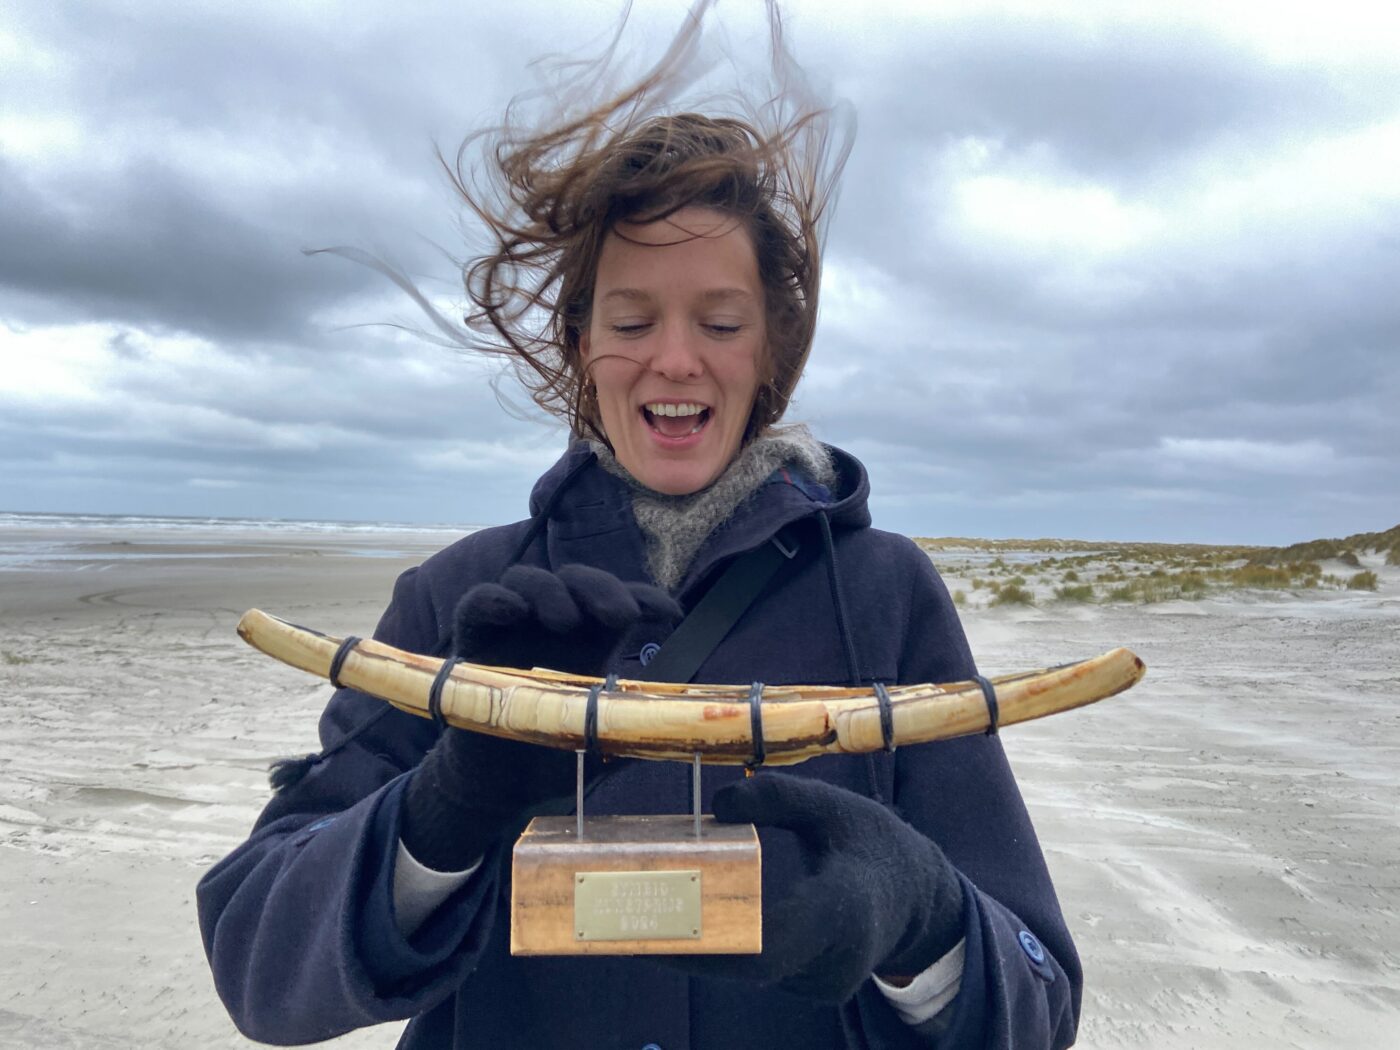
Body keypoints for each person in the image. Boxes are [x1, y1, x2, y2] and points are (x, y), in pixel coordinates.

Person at [197, 5, 1081, 1047]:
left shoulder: (886, 596)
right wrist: (444, 810)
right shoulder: (459, 597)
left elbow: (1036, 1006)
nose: (674, 360)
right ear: (578, 344)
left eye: (719, 322)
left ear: (769, 347)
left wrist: (922, 918)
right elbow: (258, 966)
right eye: (629, 322)